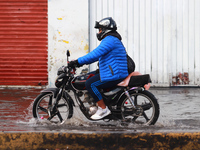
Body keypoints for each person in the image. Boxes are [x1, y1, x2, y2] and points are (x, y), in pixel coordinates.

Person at [68, 17, 129, 120]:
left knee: (90, 84)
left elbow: (95, 55)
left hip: (115, 74)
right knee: (87, 77)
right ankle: (99, 102)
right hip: (113, 71)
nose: (99, 32)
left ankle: (103, 109)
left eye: (100, 29)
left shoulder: (110, 40)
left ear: (106, 29)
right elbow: (98, 56)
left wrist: (77, 62)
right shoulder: (111, 39)